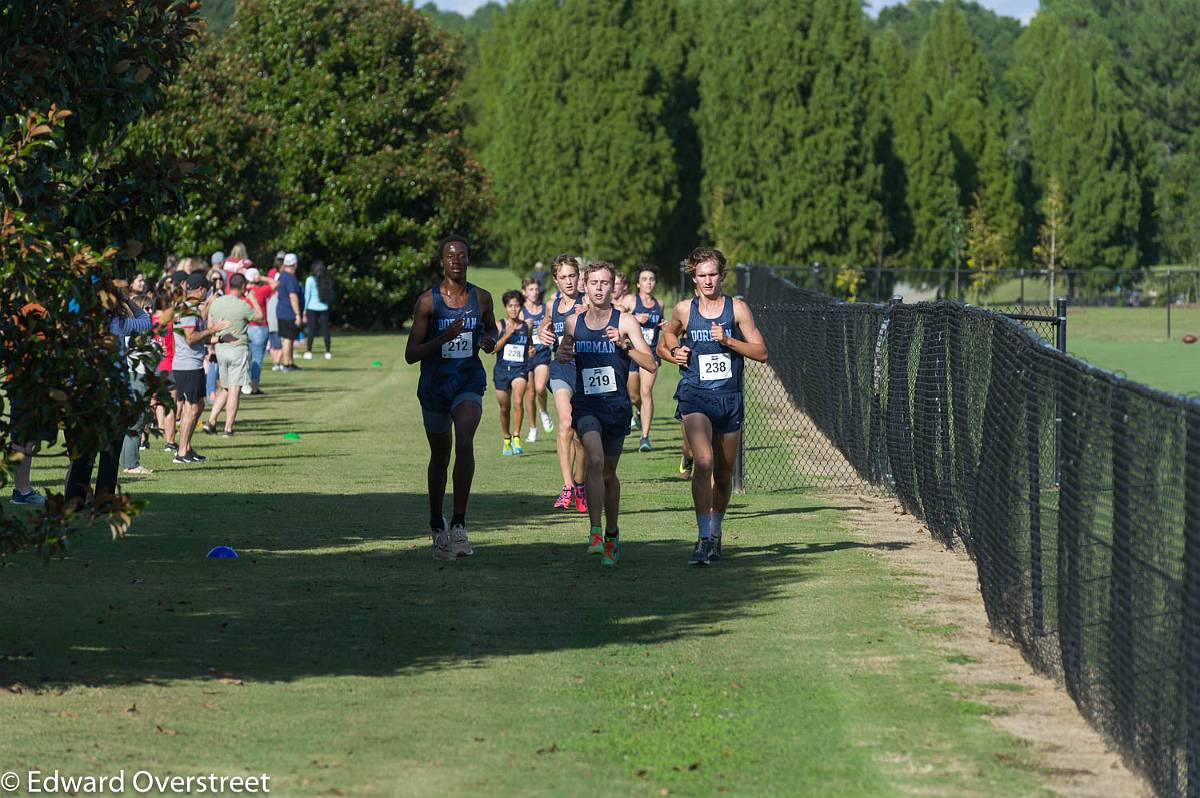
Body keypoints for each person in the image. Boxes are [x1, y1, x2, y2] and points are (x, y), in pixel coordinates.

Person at [658, 247, 768, 566]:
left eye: (713, 274)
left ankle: (716, 532)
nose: (708, 280)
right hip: (695, 394)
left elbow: (761, 352)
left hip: (729, 398)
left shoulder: (737, 310)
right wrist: (673, 353)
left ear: (722, 275)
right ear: (693, 276)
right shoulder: (682, 310)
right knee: (703, 461)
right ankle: (703, 537)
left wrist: (729, 341)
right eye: (701, 275)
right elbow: (664, 342)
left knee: (723, 473)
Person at [557, 260, 657, 567]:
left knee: (610, 473)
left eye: (605, 283)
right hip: (587, 405)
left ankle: (612, 532)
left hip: (616, 407)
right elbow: (564, 354)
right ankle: (595, 533)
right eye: (594, 283)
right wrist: (563, 353)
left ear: (612, 286)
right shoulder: (574, 323)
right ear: (585, 287)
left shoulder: (625, 322)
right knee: (596, 460)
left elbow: (650, 364)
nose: (599, 288)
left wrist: (625, 347)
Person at [405, 236, 497, 561]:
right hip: (435, 386)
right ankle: (436, 523)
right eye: (450, 256)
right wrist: (443, 338)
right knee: (440, 457)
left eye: (461, 256)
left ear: (468, 260)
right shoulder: (427, 303)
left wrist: (489, 341)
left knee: (466, 438)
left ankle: (459, 524)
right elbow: (410, 354)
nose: (456, 260)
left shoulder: (482, 298)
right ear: (442, 262)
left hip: (468, 381)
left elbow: (492, 330)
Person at [64, 286, 154, 504]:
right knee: (110, 453)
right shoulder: (118, 324)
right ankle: (104, 501)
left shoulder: (78, 326)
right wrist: (127, 300)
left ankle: (75, 501)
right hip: (113, 394)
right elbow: (146, 321)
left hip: (84, 394)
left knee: (83, 456)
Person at [537, 255, 588, 513]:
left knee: (581, 435)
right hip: (560, 368)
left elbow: (613, 316)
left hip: (586, 370)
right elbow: (547, 323)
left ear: (579, 277)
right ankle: (567, 485)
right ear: (555, 280)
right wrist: (541, 330)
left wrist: (591, 315)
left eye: (572, 276)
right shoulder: (552, 305)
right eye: (564, 277)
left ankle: (580, 484)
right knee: (565, 422)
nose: (569, 281)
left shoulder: (588, 301)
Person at [172, 271, 230, 464]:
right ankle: (181, 452)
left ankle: (187, 448)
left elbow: (200, 338)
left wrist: (220, 338)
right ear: (200, 290)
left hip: (192, 364)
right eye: (207, 291)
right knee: (192, 408)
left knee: (199, 405)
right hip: (187, 365)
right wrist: (213, 328)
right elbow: (190, 338)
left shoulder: (189, 308)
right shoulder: (188, 310)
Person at [202, 273, 261, 437]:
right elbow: (260, 318)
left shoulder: (217, 303)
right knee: (235, 390)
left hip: (221, 349)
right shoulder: (242, 305)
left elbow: (210, 327)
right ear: (243, 287)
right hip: (238, 349)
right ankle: (228, 428)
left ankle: (211, 421)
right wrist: (254, 299)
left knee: (226, 388)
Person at [625, 265, 664, 451]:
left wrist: (664, 325)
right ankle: (639, 411)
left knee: (646, 391)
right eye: (645, 279)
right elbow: (615, 315)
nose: (649, 282)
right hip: (632, 352)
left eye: (652, 279)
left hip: (651, 354)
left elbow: (662, 325)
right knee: (633, 395)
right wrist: (633, 318)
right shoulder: (631, 301)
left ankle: (645, 437)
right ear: (638, 284)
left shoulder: (660, 304)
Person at [493, 290, 534, 456]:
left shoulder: (526, 326)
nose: (514, 309)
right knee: (504, 408)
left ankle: (516, 437)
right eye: (510, 306)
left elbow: (528, 345)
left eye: (517, 306)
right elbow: (493, 349)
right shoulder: (499, 325)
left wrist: (530, 350)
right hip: (502, 371)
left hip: (519, 370)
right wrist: (507, 334)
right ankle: (506, 438)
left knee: (518, 401)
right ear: (505, 307)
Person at [520, 277, 553, 444]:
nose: (534, 292)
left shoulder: (545, 309)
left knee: (540, 387)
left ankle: (544, 411)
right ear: (524, 292)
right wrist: (526, 330)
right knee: (530, 393)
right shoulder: (520, 311)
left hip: (543, 354)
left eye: (536, 289)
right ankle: (533, 428)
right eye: (531, 289)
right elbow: (515, 334)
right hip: (527, 356)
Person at [150, 291, 178, 454]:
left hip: (153, 365)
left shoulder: (149, 321)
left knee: (155, 402)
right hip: (168, 364)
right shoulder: (170, 322)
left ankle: (150, 435)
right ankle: (170, 442)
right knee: (169, 405)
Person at [242, 267, 273, 394]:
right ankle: (254, 387)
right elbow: (275, 283)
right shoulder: (261, 290)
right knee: (257, 358)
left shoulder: (242, 293)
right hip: (260, 327)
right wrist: (261, 278)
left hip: (245, 327)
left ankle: (245, 384)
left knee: (245, 358)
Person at [275, 253, 304, 371]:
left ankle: (290, 362)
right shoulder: (290, 278)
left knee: (290, 338)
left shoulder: (282, 276)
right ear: (295, 265)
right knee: (288, 339)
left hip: (282, 311)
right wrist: (297, 314)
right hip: (288, 312)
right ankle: (287, 364)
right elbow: (293, 296)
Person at [303, 260, 334, 360]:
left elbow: (307, 296)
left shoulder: (310, 280)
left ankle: (309, 351)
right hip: (324, 307)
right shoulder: (326, 280)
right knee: (325, 330)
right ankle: (328, 352)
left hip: (312, 307)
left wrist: (304, 309)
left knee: (311, 330)